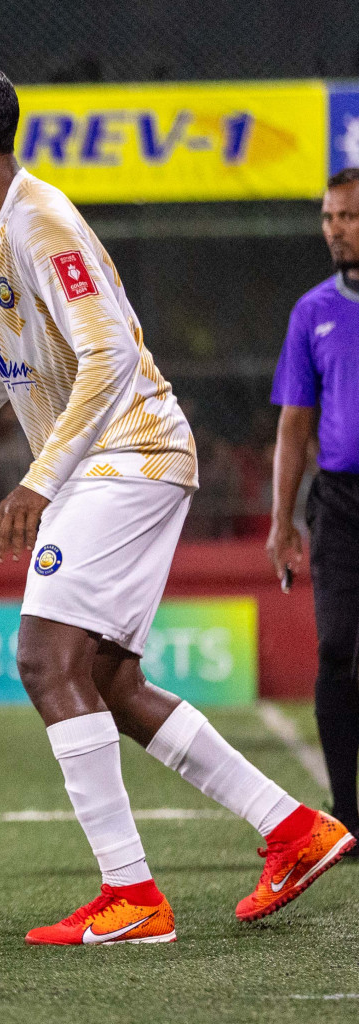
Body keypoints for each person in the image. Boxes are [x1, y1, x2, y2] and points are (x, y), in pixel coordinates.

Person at [0, 54, 350, 947]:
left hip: (133, 453)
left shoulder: (42, 222)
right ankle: (294, 828)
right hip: (113, 462)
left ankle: (133, 897)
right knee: (111, 682)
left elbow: (112, 353)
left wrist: (40, 482)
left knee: (44, 661)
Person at [268, 167, 359, 839]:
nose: (337, 228)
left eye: (349, 216)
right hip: (340, 505)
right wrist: (281, 522)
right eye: (330, 217)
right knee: (335, 650)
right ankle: (347, 813)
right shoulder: (312, 312)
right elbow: (294, 425)